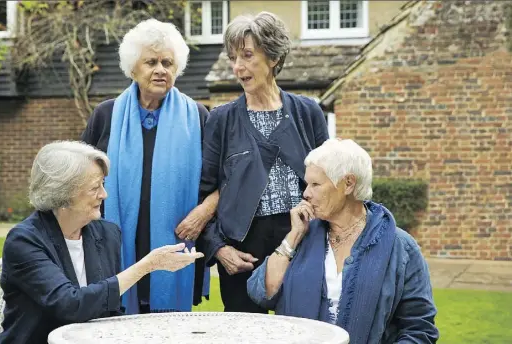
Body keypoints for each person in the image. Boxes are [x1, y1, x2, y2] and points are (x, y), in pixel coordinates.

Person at [0, 141, 203, 344]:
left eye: (102, 185)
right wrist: (147, 266)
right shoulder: (24, 241)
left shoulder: (107, 233)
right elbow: (69, 305)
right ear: (62, 194)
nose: (104, 195)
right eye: (95, 187)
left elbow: (108, 310)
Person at [81, 19, 218, 314]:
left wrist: (203, 212)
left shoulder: (197, 116)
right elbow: (79, 180)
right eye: (151, 62)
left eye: (168, 63)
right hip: (114, 245)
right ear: (133, 68)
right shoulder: (105, 115)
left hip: (176, 239)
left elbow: (222, 181)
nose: (160, 70)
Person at [197, 11, 329, 313]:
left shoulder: (308, 113)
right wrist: (220, 249)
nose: (237, 67)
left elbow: (330, 184)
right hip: (242, 249)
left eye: (246, 56)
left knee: (301, 329)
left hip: (301, 239)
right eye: (233, 58)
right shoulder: (221, 119)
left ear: (272, 58)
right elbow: (205, 193)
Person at [247, 138, 439, 343]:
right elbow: (262, 292)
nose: (306, 193)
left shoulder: (401, 247)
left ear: (348, 184)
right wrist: (293, 236)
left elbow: (419, 328)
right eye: (307, 184)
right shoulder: (302, 235)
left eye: (316, 184)